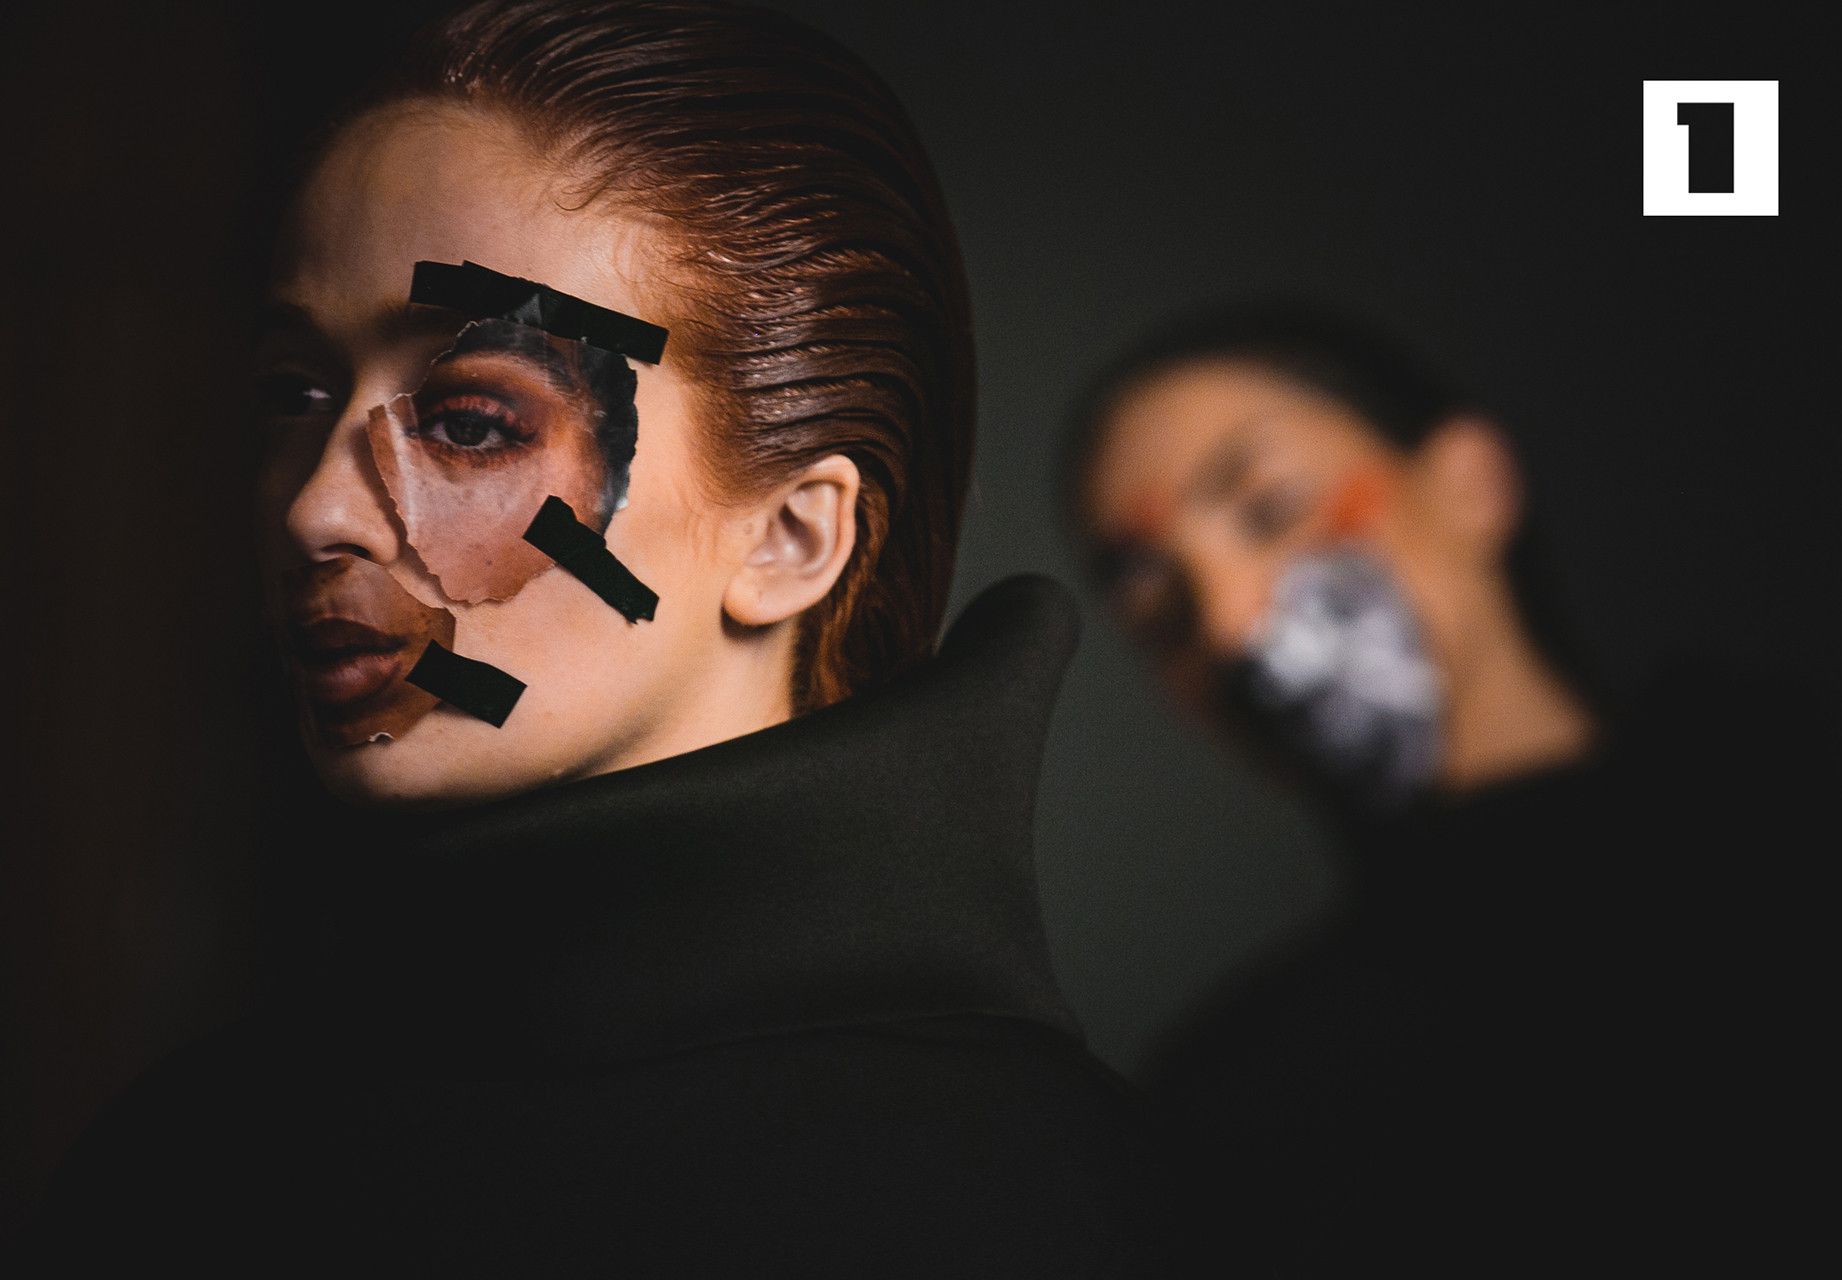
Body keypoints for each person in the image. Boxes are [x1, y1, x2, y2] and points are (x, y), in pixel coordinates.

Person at [19, 3, 1161, 1274]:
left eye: (469, 422)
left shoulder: (1049, 1205)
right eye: (293, 392)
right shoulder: (183, 1162)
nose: (315, 507)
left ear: (791, 536)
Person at [1064, 302, 1842, 1274]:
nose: (1227, 623)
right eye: (1151, 597)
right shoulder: (1234, 1110)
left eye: (1271, 506)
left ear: (1470, 481)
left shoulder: (1838, 858)